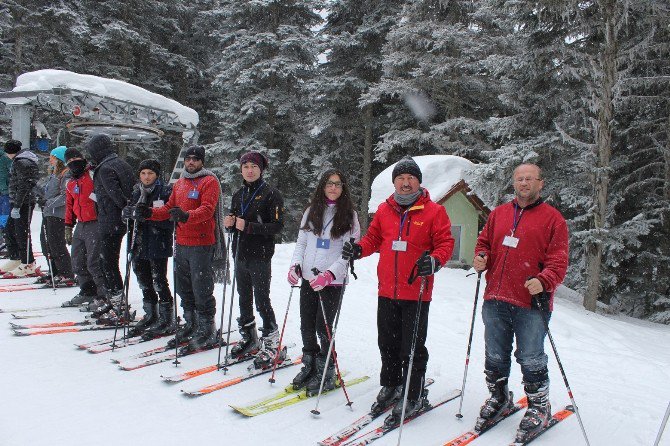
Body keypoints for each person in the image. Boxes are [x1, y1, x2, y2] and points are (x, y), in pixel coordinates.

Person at [342, 156, 454, 425]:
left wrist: (435, 261)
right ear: (394, 182)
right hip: (387, 291)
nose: (405, 183)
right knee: (387, 343)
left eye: (410, 178)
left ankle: (413, 393)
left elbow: (445, 243)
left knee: (412, 347)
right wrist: (359, 249)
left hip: (416, 292)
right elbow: (374, 239)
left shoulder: (434, 211)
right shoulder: (385, 209)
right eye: (401, 178)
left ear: (418, 182)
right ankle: (391, 385)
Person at [472, 163, 569, 439]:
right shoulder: (499, 214)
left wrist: (545, 279)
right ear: (514, 183)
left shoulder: (553, 219)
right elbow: (484, 243)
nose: (524, 183)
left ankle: (539, 405)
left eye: (529, 179)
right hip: (495, 298)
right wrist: (481, 257)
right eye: (519, 179)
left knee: (530, 356)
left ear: (540, 183)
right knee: (495, 354)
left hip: (531, 302)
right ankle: (499, 396)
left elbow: (559, 260)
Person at [132, 145, 227, 352]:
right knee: (183, 287)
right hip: (181, 242)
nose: (191, 162)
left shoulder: (209, 181)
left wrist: (186, 216)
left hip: (202, 242)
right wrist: (148, 212)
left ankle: (207, 328)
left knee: (201, 287)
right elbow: (167, 209)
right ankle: (191, 323)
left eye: (195, 159)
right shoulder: (180, 183)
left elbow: (207, 210)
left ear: (202, 161)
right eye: (188, 158)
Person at [287, 168, 360, 393]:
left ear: (343, 188)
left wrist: (330, 275)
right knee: (306, 324)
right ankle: (309, 364)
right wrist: (295, 265)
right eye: (329, 183)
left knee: (323, 327)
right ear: (323, 186)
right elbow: (301, 243)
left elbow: (347, 254)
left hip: (332, 281)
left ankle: (326, 369)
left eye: (338, 184)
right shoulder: (311, 211)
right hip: (309, 278)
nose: (333, 187)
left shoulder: (350, 215)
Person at [223, 151, 284, 361]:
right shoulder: (238, 194)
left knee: (262, 300)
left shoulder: (271, 194)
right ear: (241, 169)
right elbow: (235, 222)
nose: (250, 170)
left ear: (261, 169)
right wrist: (230, 224)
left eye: (254, 167)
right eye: (246, 166)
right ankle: (249, 337)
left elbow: (277, 226)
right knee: (244, 298)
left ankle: (272, 341)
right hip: (240, 253)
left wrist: (248, 226)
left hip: (260, 255)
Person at [121, 159, 175, 337]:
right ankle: (151, 313)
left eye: (150, 173)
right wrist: (128, 214)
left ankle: (167, 316)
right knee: (143, 279)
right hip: (138, 242)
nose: (146, 177)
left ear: (157, 175)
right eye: (143, 173)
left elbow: (169, 218)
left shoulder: (165, 191)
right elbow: (129, 215)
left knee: (159, 279)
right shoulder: (137, 192)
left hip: (157, 242)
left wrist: (149, 215)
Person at [86, 134, 135, 317]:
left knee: (107, 262)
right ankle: (114, 301)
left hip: (111, 221)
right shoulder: (120, 163)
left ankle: (118, 304)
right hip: (118, 220)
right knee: (108, 261)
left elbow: (116, 196)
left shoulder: (105, 168)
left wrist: (121, 208)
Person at [61, 148, 109, 308]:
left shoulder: (93, 174)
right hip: (80, 224)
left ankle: (103, 294)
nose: (74, 162)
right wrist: (68, 225)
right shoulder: (70, 182)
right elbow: (69, 205)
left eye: (76, 158)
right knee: (77, 260)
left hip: (95, 222)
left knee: (94, 261)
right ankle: (87, 290)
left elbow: (103, 195)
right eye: (69, 161)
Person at [1, 140, 40, 278]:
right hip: (16, 201)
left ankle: (28, 262)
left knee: (21, 232)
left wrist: (17, 206)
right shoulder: (19, 160)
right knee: (10, 229)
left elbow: (24, 185)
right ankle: (16, 257)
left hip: (24, 203)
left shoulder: (21, 162)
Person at [38, 146, 75, 286]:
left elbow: (65, 196)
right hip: (49, 213)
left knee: (56, 244)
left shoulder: (66, 174)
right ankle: (54, 270)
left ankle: (66, 272)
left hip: (57, 214)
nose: (50, 159)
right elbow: (48, 193)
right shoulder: (54, 173)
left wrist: (48, 203)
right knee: (46, 243)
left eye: (53, 157)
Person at [0, 142, 12, 256]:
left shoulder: (4, 158)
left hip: (5, 193)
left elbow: (13, 173)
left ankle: (7, 243)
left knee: (4, 218)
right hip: (3, 192)